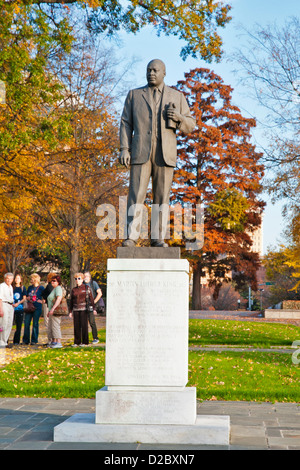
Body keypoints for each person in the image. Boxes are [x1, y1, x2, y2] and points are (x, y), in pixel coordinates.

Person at [119, 58, 195, 247]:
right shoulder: (134, 95)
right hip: (140, 152)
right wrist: (124, 148)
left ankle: (157, 237)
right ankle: (132, 237)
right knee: (136, 194)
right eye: (148, 70)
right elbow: (125, 123)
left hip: (165, 154)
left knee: (161, 196)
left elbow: (190, 125)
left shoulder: (177, 96)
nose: (151, 73)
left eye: (155, 70)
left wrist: (178, 118)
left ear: (164, 73)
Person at [69, 273, 95, 347]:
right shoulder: (74, 289)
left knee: (84, 325)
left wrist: (94, 308)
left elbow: (91, 298)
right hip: (76, 309)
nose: (77, 280)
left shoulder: (86, 288)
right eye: (76, 279)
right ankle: (77, 342)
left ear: (82, 279)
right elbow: (71, 301)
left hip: (84, 309)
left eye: (79, 278)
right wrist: (70, 311)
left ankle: (85, 341)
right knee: (76, 326)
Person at [23, 273, 45, 345]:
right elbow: (26, 296)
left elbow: (45, 296)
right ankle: (26, 340)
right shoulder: (29, 287)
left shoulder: (41, 288)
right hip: (29, 307)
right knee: (26, 323)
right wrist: (28, 298)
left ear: (36, 279)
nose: (31, 280)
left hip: (37, 307)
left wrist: (41, 301)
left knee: (35, 323)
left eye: (32, 278)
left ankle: (34, 340)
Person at [83, 271, 102, 344]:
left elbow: (99, 293)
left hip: (91, 306)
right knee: (83, 323)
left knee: (92, 322)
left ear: (90, 277)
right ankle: (84, 339)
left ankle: (95, 338)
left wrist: (94, 302)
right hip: (83, 306)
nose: (85, 277)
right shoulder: (82, 284)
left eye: (87, 276)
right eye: (84, 276)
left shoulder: (93, 283)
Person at [47, 275, 63, 348]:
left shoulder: (58, 288)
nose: (52, 282)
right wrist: (49, 310)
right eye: (51, 281)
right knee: (51, 326)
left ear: (58, 282)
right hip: (51, 311)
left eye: (54, 281)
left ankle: (59, 342)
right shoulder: (54, 289)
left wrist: (53, 309)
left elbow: (59, 299)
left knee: (55, 326)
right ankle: (54, 341)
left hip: (56, 311)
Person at [0, 273, 14, 348]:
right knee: (3, 323)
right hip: (4, 304)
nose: (9, 280)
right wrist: (0, 309)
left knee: (9, 323)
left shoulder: (10, 287)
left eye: (10, 279)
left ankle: (5, 341)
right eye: (7, 278)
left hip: (10, 305)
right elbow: (0, 298)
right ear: (5, 278)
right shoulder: (2, 286)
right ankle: (1, 341)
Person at [42, 272, 56, 346]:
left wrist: (45, 299)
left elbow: (49, 297)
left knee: (48, 323)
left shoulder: (49, 286)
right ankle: (51, 340)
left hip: (48, 306)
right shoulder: (52, 287)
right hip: (49, 305)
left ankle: (51, 340)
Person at [13, 274, 27, 345]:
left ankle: (16, 341)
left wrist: (18, 303)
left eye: (18, 278)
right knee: (9, 325)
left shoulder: (22, 288)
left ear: (21, 280)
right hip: (11, 309)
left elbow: (24, 298)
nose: (17, 279)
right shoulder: (12, 287)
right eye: (16, 278)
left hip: (19, 308)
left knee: (18, 325)